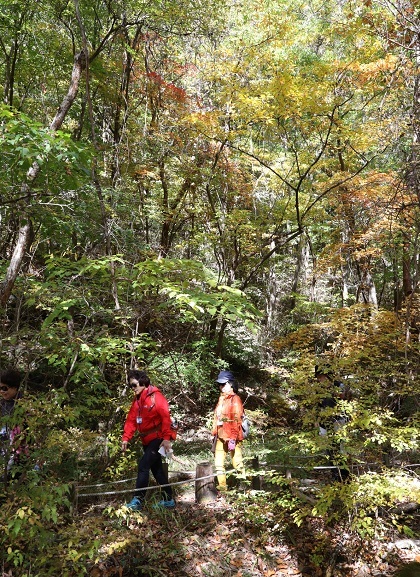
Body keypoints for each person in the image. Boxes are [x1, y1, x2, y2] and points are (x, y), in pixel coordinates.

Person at [121, 369, 175, 510]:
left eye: (134, 384)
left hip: (158, 439)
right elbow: (131, 420)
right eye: (131, 386)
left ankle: (138, 500)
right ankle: (168, 499)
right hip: (146, 440)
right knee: (157, 470)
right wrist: (126, 438)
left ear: (143, 382)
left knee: (143, 465)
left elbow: (165, 418)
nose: (133, 388)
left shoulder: (156, 397)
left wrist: (167, 439)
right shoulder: (137, 400)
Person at [211, 370, 246, 492]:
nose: (221, 387)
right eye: (220, 384)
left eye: (223, 384)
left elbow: (237, 421)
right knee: (218, 463)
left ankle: (246, 485)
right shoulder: (222, 399)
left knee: (237, 463)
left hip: (232, 437)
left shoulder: (235, 400)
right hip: (221, 435)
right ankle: (222, 487)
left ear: (231, 384)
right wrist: (215, 432)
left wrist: (233, 438)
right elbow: (217, 417)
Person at [314, 365, 349, 481]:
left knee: (341, 447)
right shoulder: (317, 388)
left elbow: (343, 397)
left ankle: (343, 474)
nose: (319, 379)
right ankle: (334, 473)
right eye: (318, 377)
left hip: (338, 420)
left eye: (321, 377)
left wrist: (331, 391)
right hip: (325, 422)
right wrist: (317, 420)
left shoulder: (338, 385)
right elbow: (318, 406)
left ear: (326, 375)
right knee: (328, 448)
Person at [0, 368, 24, 483]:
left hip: (18, 453)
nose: (2, 391)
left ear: (14, 387)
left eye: (5, 388)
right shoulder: (2, 404)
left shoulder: (24, 404)